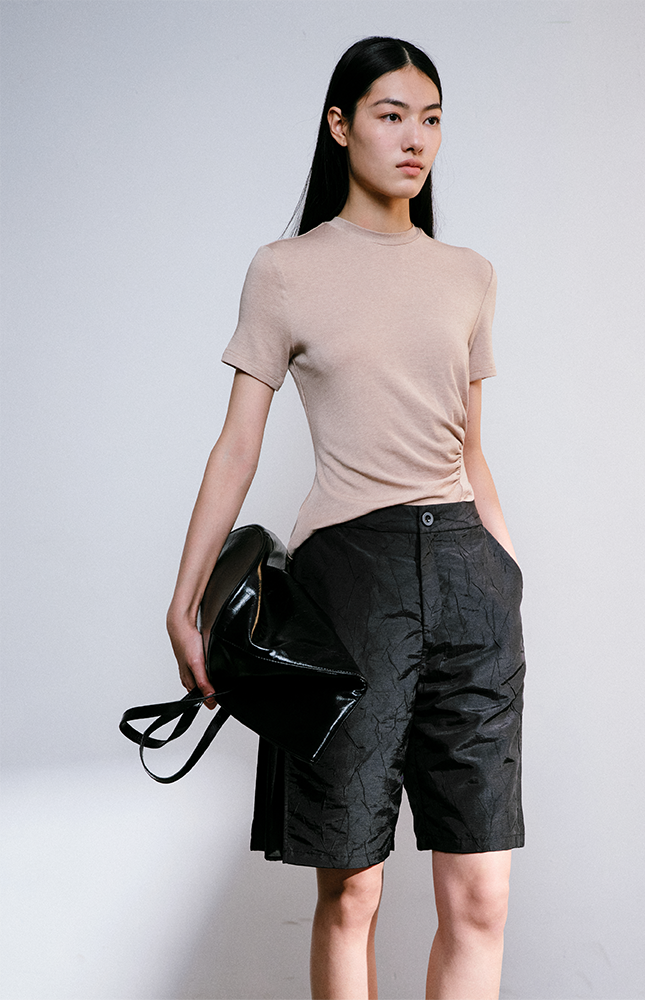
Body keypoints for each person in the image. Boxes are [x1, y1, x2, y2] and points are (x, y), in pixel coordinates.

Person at [167, 35, 525, 1000]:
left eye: (431, 119)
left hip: (469, 581)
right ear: (340, 125)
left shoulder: (469, 274)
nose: (416, 139)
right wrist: (185, 600)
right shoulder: (286, 269)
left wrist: (504, 569)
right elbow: (237, 446)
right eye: (391, 115)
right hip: (350, 586)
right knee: (354, 888)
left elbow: (471, 447)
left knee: (481, 896)